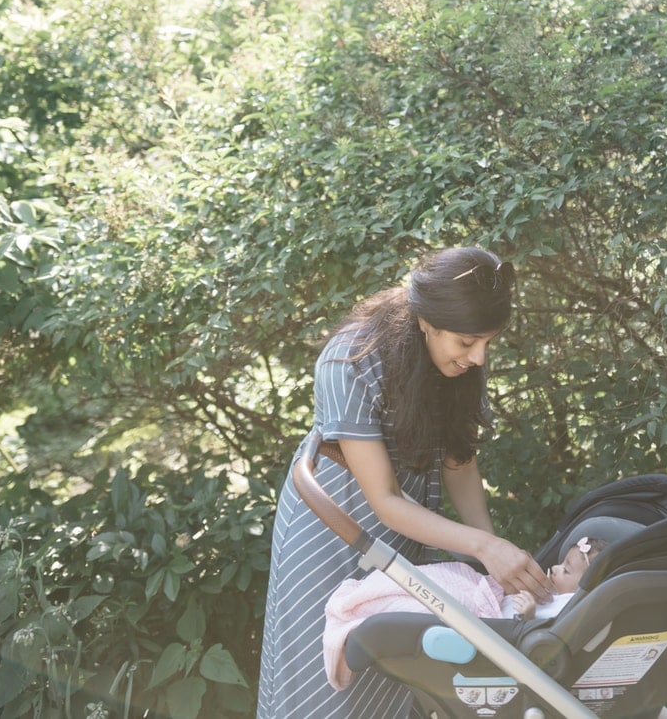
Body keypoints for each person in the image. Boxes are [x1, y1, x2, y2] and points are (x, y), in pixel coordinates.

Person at [258, 247, 551, 718]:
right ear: (426, 322)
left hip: (405, 530)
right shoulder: (351, 359)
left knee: (396, 673)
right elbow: (385, 500)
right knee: (325, 682)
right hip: (331, 530)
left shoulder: (457, 359)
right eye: (468, 342)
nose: (478, 357)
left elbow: (459, 463)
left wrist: (493, 555)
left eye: (487, 343)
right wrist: (481, 547)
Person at [320, 536, 609, 690]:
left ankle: (366, 604)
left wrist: (529, 614)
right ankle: (370, 595)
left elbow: (547, 635)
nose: (555, 568)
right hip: (486, 597)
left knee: (427, 601)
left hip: (497, 627)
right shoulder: (556, 593)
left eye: (566, 570)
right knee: (442, 579)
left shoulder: (569, 605)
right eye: (560, 563)